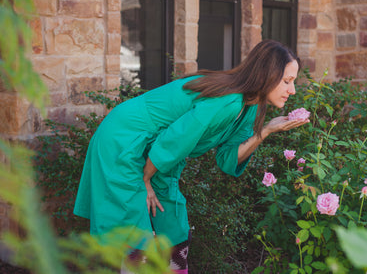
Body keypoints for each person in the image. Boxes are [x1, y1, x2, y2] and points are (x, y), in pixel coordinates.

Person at [73, 39, 309, 273]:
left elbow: (227, 157)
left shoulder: (251, 106)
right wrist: (144, 180)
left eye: (293, 81)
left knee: (173, 223)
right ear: (265, 75)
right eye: (287, 81)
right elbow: (175, 140)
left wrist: (266, 130)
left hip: (157, 151)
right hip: (124, 138)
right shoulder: (229, 100)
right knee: (137, 236)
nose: (292, 90)